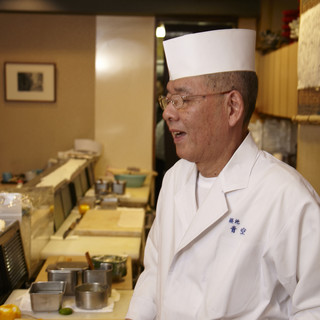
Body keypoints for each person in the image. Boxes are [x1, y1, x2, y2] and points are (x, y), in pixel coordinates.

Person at [126, 29, 320, 319]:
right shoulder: (175, 178)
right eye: (167, 100)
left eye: (183, 99)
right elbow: (155, 271)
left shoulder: (287, 198)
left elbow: (314, 306)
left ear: (232, 107)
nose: (168, 113)